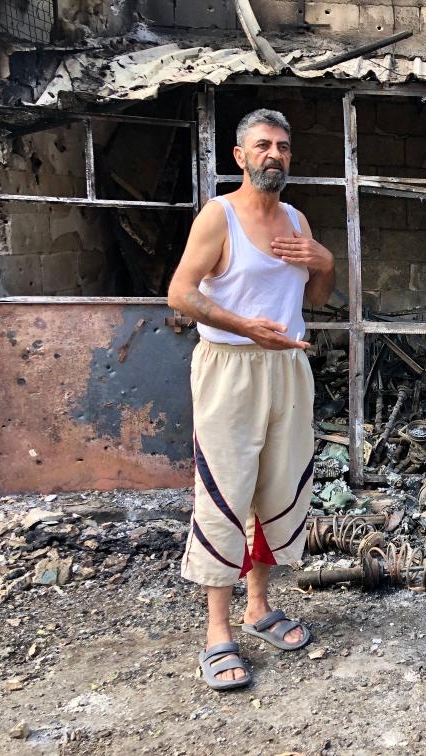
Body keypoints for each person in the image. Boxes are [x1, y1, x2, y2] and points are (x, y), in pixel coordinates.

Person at [168, 108, 335, 690]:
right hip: (229, 368)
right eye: (262, 146)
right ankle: (217, 633)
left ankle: (258, 606)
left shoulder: (295, 218)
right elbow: (181, 293)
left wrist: (326, 262)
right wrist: (245, 327)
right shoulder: (218, 218)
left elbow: (314, 296)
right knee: (224, 490)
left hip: (286, 366)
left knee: (279, 487)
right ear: (239, 156)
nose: (274, 155)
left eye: (284, 147)